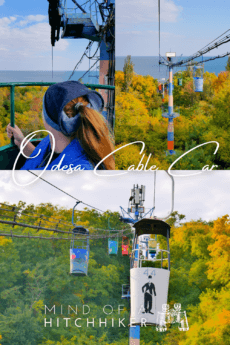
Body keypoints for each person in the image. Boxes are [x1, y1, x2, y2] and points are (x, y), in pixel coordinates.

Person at [6, 81, 115, 170]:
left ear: (48, 120)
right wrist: (22, 142)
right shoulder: (60, 141)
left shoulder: (75, 173)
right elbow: (45, 159)